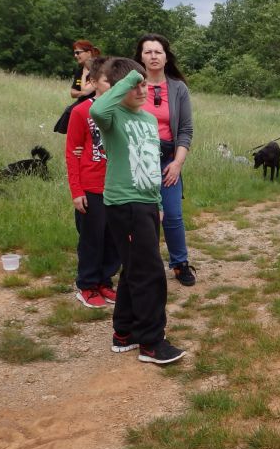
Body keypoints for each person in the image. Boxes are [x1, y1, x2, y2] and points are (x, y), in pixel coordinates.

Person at [89, 57, 185, 364]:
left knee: (134, 268)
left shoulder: (146, 119)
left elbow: (149, 166)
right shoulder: (113, 115)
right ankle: (151, 343)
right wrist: (128, 80)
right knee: (150, 273)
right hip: (124, 205)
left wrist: (157, 203)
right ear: (122, 87)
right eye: (137, 85)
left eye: (145, 83)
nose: (144, 89)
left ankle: (125, 332)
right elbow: (96, 108)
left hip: (145, 203)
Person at [133, 34, 196, 286]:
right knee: (141, 216)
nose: (153, 56)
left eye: (158, 52)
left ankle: (180, 264)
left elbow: (185, 130)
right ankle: (142, 266)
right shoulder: (132, 86)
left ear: (166, 56)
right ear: (140, 57)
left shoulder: (178, 88)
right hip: (137, 160)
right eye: (148, 52)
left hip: (168, 158)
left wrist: (178, 163)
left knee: (172, 215)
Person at [66, 56, 120, 309]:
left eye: (116, 80)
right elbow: (72, 152)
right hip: (91, 186)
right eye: (108, 80)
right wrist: (77, 190)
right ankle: (86, 284)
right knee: (92, 238)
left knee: (113, 238)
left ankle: (104, 281)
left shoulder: (123, 110)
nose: (113, 85)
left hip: (117, 188)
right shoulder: (80, 111)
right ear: (93, 81)